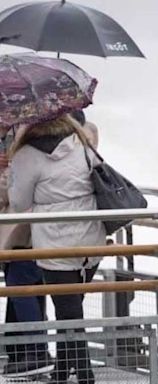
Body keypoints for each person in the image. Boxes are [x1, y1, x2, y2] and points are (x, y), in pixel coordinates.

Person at [8, 114, 106, 384]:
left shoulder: (27, 155)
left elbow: (18, 203)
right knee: (70, 310)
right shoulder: (80, 143)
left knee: (68, 313)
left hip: (55, 244)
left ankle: (86, 376)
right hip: (91, 240)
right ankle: (61, 372)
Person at [0, 125, 53, 378]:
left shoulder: (24, 151)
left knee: (20, 287)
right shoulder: (42, 146)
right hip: (35, 233)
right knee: (27, 287)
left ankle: (35, 352)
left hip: (23, 233)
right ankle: (22, 353)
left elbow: (13, 195)